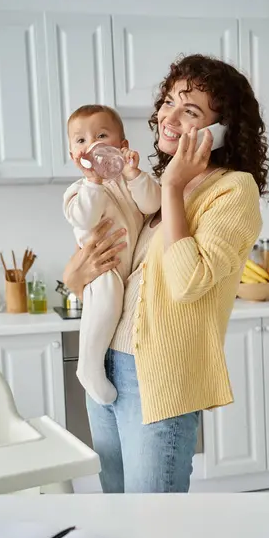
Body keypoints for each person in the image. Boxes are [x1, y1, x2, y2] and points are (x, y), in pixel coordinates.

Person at [63, 54, 269, 493]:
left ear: (221, 130)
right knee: (116, 506)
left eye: (191, 110)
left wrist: (175, 187)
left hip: (158, 374)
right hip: (107, 363)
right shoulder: (155, 187)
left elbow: (187, 280)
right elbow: (114, 271)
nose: (169, 117)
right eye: (169, 102)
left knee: (154, 521)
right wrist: (74, 276)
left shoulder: (232, 190)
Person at [64, 105, 161, 405]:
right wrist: (93, 181)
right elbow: (86, 219)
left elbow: (152, 204)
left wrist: (133, 173)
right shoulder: (78, 192)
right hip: (101, 268)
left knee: (112, 307)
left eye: (101, 135)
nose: (91, 144)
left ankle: (94, 363)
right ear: (74, 156)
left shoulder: (132, 181)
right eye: (80, 140)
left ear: (122, 146)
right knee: (105, 303)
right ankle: (89, 366)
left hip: (125, 269)